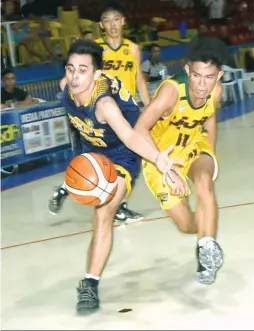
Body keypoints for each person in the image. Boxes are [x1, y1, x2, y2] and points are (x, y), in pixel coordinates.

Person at [56, 39, 182, 314]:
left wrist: (158, 158)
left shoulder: (104, 105)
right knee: (91, 191)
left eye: (83, 70)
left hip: (122, 153)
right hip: (93, 149)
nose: (75, 76)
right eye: (70, 68)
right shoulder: (66, 87)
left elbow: (130, 135)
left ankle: (89, 284)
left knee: (104, 212)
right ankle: (70, 183)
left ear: (96, 74)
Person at [135, 36, 227, 285]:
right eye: (197, 75)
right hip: (159, 156)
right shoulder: (170, 92)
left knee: (204, 181)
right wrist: (163, 166)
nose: (201, 84)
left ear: (218, 76)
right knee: (187, 225)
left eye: (209, 77)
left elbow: (209, 118)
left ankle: (206, 249)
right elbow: (140, 129)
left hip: (192, 147)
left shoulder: (215, 93)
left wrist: (209, 151)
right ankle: (203, 229)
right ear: (188, 70)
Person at [49, 2, 149, 223]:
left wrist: (148, 107)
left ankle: (105, 201)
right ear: (101, 25)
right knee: (112, 159)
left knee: (120, 159)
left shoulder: (132, 48)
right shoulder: (94, 48)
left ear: (123, 21)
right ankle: (102, 200)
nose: (112, 24)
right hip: (96, 111)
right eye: (107, 20)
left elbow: (139, 78)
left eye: (116, 19)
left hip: (123, 111)